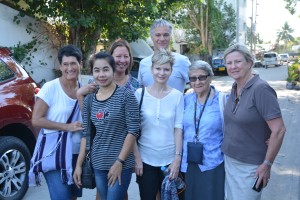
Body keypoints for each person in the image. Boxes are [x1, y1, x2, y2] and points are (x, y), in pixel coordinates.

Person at [221, 43, 286, 200]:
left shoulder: (261, 89)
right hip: (230, 161)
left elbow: (279, 130)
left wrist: (267, 165)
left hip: (251, 166)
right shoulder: (235, 86)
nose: (233, 66)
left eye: (238, 61)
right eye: (229, 63)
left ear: (249, 62)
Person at [73, 52, 140, 200]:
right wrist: (78, 165)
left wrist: (119, 162)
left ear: (113, 70)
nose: (101, 75)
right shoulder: (90, 100)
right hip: (98, 163)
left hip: (120, 163)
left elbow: (133, 130)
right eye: (97, 70)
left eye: (105, 69)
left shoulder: (126, 96)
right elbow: (86, 134)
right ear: (92, 72)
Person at [30, 44, 84, 200]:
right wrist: (66, 127)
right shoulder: (51, 88)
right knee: (61, 197)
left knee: (72, 197)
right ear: (60, 66)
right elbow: (36, 120)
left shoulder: (83, 89)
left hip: (76, 154)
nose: (70, 68)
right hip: (54, 153)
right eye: (65, 64)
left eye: (73, 63)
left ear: (80, 64)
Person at [134, 48, 184, 200]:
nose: (161, 73)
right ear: (151, 69)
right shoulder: (139, 94)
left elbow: (178, 128)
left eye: (166, 69)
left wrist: (177, 159)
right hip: (145, 160)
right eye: (158, 68)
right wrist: (137, 159)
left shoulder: (177, 96)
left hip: (169, 161)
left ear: (171, 71)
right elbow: (132, 130)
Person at [180, 60, 226, 200]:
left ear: (210, 77)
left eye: (202, 77)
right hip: (188, 161)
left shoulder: (223, 100)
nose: (197, 82)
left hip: (213, 161)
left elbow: (239, 124)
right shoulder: (185, 100)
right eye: (193, 78)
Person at [138, 19, 190, 93]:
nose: (162, 39)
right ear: (152, 37)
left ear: (170, 37)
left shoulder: (182, 61)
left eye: (166, 35)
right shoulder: (143, 63)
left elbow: (196, 85)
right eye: (158, 35)